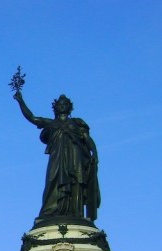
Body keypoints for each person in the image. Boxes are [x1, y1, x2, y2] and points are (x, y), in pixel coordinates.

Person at [14, 91, 100, 222]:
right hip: (57, 157)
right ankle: (50, 212)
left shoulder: (77, 123)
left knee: (76, 182)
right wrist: (21, 102)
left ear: (69, 107)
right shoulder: (51, 123)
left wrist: (95, 153)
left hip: (75, 158)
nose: (62, 106)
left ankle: (76, 214)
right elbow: (33, 118)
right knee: (52, 180)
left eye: (65, 104)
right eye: (59, 104)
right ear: (55, 107)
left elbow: (87, 139)